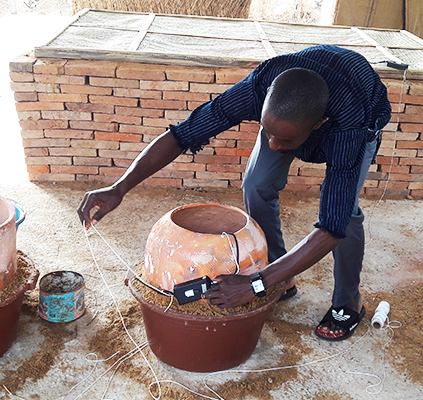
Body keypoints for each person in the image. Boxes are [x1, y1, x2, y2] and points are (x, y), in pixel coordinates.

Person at [78, 44, 391, 341]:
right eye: (268, 133)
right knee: (256, 184)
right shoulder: (259, 87)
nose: (273, 146)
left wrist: (254, 285)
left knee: (345, 214)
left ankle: (348, 302)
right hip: (294, 113)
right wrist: (120, 187)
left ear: (318, 125)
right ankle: (281, 277)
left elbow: (331, 229)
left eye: (284, 142)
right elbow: (182, 134)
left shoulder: (349, 125)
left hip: (360, 115)